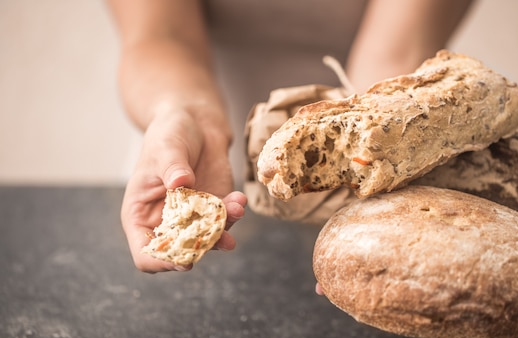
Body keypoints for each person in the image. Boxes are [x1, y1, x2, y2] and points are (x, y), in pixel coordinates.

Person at [106, 0, 474, 274]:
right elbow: (159, 37)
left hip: (371, 160)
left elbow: (396, 54)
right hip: (194, 158)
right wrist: (184, 114)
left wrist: (362, 186)